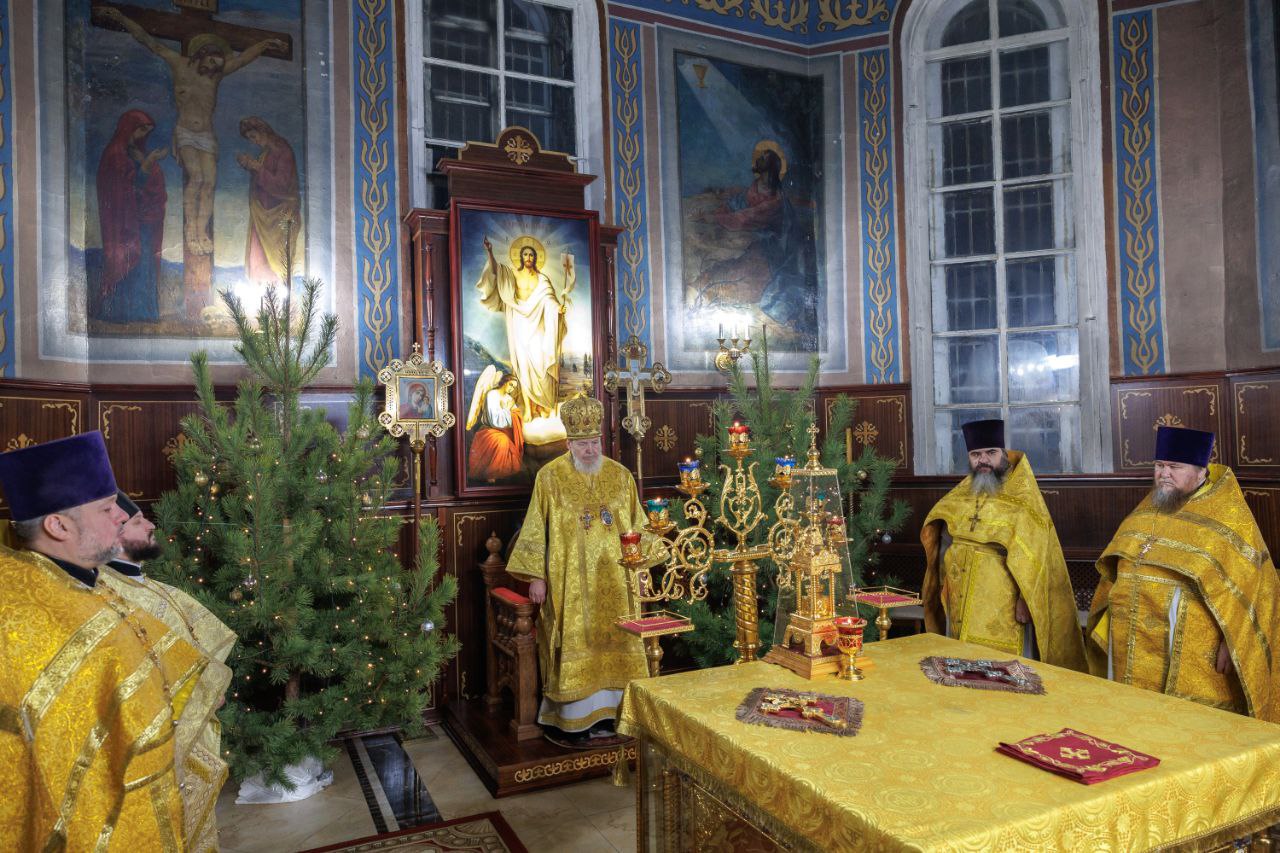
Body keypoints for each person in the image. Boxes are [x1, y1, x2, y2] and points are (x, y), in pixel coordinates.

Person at [0, 432, 205, 851]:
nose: (121, 516)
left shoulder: (89, 581)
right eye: (107, 508)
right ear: (58, 525)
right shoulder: (21, 611)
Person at [1088, 426, 1280, 720]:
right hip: (1131, 636)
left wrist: (1235, 642)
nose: (1164, 474)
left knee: (1182, 723)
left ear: (1201, 470)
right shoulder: (1150, 507)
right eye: (1159, 465)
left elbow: (1257, 584)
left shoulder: (1228, 515)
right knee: (1132, 717)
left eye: (1174, 467)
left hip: (1190, 645)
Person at [505, 395, 649, 738]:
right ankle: (574, 717)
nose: (590, 449)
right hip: (569, 583)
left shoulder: (621, 476)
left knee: (621, 639)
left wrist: (642, 571)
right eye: (583, 444)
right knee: (574, 642)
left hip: (618, 582)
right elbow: (535, 529)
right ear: (569, 443)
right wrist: (536, 577)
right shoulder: (549, 478)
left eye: (594, 442)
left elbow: (639, 527)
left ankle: (618, 713)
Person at [98, 492, 236, 853]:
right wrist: (203, 695)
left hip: (190, 723)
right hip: (164, 736)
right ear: (114, 534)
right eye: (138, 521)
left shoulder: (140, 583)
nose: (150, 525)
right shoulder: (111, 594)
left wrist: (210, 690)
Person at [96, 6, 286, 259]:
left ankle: (201, 229)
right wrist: (122, 18)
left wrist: (264, 44)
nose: (214, 67)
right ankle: (190, 229)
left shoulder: (216, 76)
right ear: (201, 54)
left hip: (206, 135)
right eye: (212, 61)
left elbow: (242, 59)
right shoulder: (179, 64)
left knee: (209, 183)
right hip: (186, 131)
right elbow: (149, 41)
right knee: (196, 178)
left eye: (218, 65)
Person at [920, 419, 1086, 670]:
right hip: (960, 597)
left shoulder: (1023, 497)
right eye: (976, 455)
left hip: (1003, 602)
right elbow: (944, 539)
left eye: (991, 453)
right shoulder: (961, 495)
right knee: (960, 662)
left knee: (1004, 669)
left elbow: (1037, 554)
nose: (983, 460)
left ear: (1003, 454)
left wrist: (1026, 600)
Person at [476, 236, 573, 420]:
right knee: (524, 366)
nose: (528, 257)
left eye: (531, 255)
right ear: (521, 257)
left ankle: (542, 404)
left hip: (537, 324)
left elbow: (549, 300)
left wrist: (558, 309)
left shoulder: (542, 279)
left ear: (535, 258)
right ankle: (528, 408)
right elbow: (495, 271)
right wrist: (489, 251)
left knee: (540, 363)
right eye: (526, 254)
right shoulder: (512, 274)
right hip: (519, 323)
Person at [95, 109, 168, 324]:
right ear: (129, 128)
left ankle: (143, 312)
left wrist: (148, 163)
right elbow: (127, 187)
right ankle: (122, 312)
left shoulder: (133, 152)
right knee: (130, 259)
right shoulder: (115, 154)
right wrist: (148, 162)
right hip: (125, 223)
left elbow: (147, 184)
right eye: (141, 129)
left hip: (142, 221)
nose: (143, 135)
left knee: (145, 262)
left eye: (147, 131)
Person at [236, 116, 301, 283]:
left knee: (277, 261)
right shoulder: (266, 153)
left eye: (253, 136)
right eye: (250, 139)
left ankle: (278, 293)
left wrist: (256, 167)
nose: (254, 141)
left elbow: (281, 186)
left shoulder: (283, 151)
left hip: (279, 216)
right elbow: (262, 181)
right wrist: (251, 166)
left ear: (263, 130)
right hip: (262, 216)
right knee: (258, 257)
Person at [465, 367, 524, 482]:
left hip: (505, 430)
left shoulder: (509, 398)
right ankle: (492, 473)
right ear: (505, 382)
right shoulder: (492, 394)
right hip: (489, 430)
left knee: (507, 442)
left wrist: (511, 412)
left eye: (514, 387)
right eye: (511, 385)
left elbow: (516, 415)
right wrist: (507, 410)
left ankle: (502, 473)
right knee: (502, 441)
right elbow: (494, 420)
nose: (512, 389)